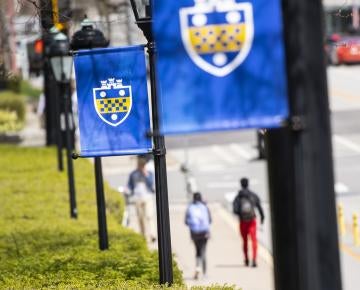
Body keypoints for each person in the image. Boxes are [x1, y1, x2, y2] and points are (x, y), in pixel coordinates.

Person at [233, 177, 264, 267]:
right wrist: (262, 217)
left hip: (243, 222)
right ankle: (254, 259)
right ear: (248, 184)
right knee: (254, 240)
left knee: (245, 241)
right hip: (252, 221)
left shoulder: (238, 197)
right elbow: (259, 207)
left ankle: (246, 259)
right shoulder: (253, 195)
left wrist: (241, 215)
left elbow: (235, 210)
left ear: (241, 184)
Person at [127, 155, 156, 243]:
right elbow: (130, 185)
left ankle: (152, 234)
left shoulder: (148, 173)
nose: (140, 166)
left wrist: (145, 174)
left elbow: (151, 184)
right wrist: (127, 190)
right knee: (140, 218)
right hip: (137, 198)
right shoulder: (133, 174)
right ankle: (143, 235)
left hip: (147, 197)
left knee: (149, 216)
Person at [185, 192, 212, 279]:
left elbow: (186, 221)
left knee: (197, 251)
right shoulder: (205, 207)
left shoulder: (190, 207)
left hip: (194, 233)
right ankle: (204, 273)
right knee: (203, 251)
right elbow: (210, 220)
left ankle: (197, 267)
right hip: (204, 233)